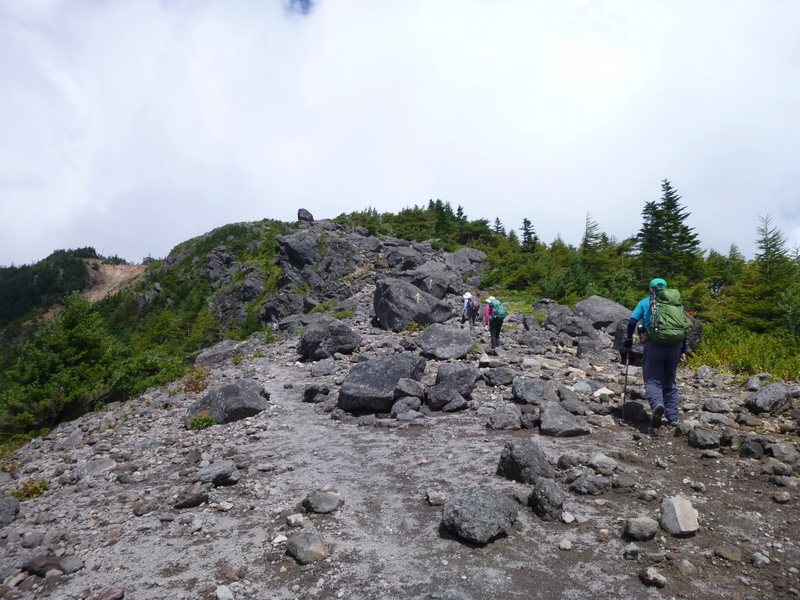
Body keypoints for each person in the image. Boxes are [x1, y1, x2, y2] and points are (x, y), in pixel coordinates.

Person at [624, 278, 688, 428]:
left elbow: (632, 322)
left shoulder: (645, 302)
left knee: (652, 380)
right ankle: (673, 417)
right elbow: (684, 328)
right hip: (674, 346)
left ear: (650, 289)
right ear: (666, 288)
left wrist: (628, 339)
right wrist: (683, 350)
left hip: (654, 345)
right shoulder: (676, 305)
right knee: (670, 381)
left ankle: (657, 405)